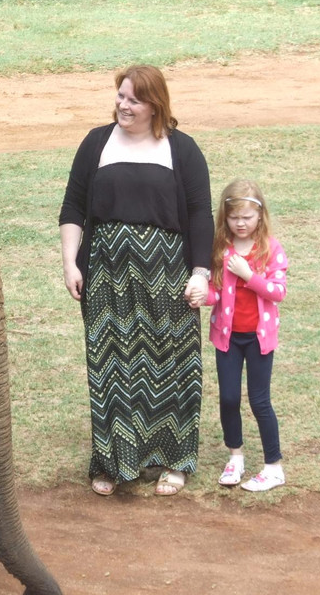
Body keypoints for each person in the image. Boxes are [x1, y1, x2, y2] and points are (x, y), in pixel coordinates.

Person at [59, 65, 213, 497]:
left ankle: (174, 460)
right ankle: (112, 461)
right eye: (120, 96)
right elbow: (72, 208)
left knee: (172, 364)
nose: (123, 105)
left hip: (168, 277)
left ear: (155, 105)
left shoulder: (182, 149)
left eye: (133, 99)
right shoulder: (97, 143)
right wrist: (70, 263)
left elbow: (200, 214)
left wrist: (201, 273)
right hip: (106, 275)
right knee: (110, 365)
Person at [195, 179, 288, 492]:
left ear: (260, 215)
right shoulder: (221, 249)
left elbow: (278, 292)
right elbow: (215, 291)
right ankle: (235, 457)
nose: (241, 223)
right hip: (228, 338)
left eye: (247, 217)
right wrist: (201, 296)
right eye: (234, 217)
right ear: (225, 217)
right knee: (229, 398)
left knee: (260, 401)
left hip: (259, 339)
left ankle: (273, 467)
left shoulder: (270, 249)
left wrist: (249, 275)